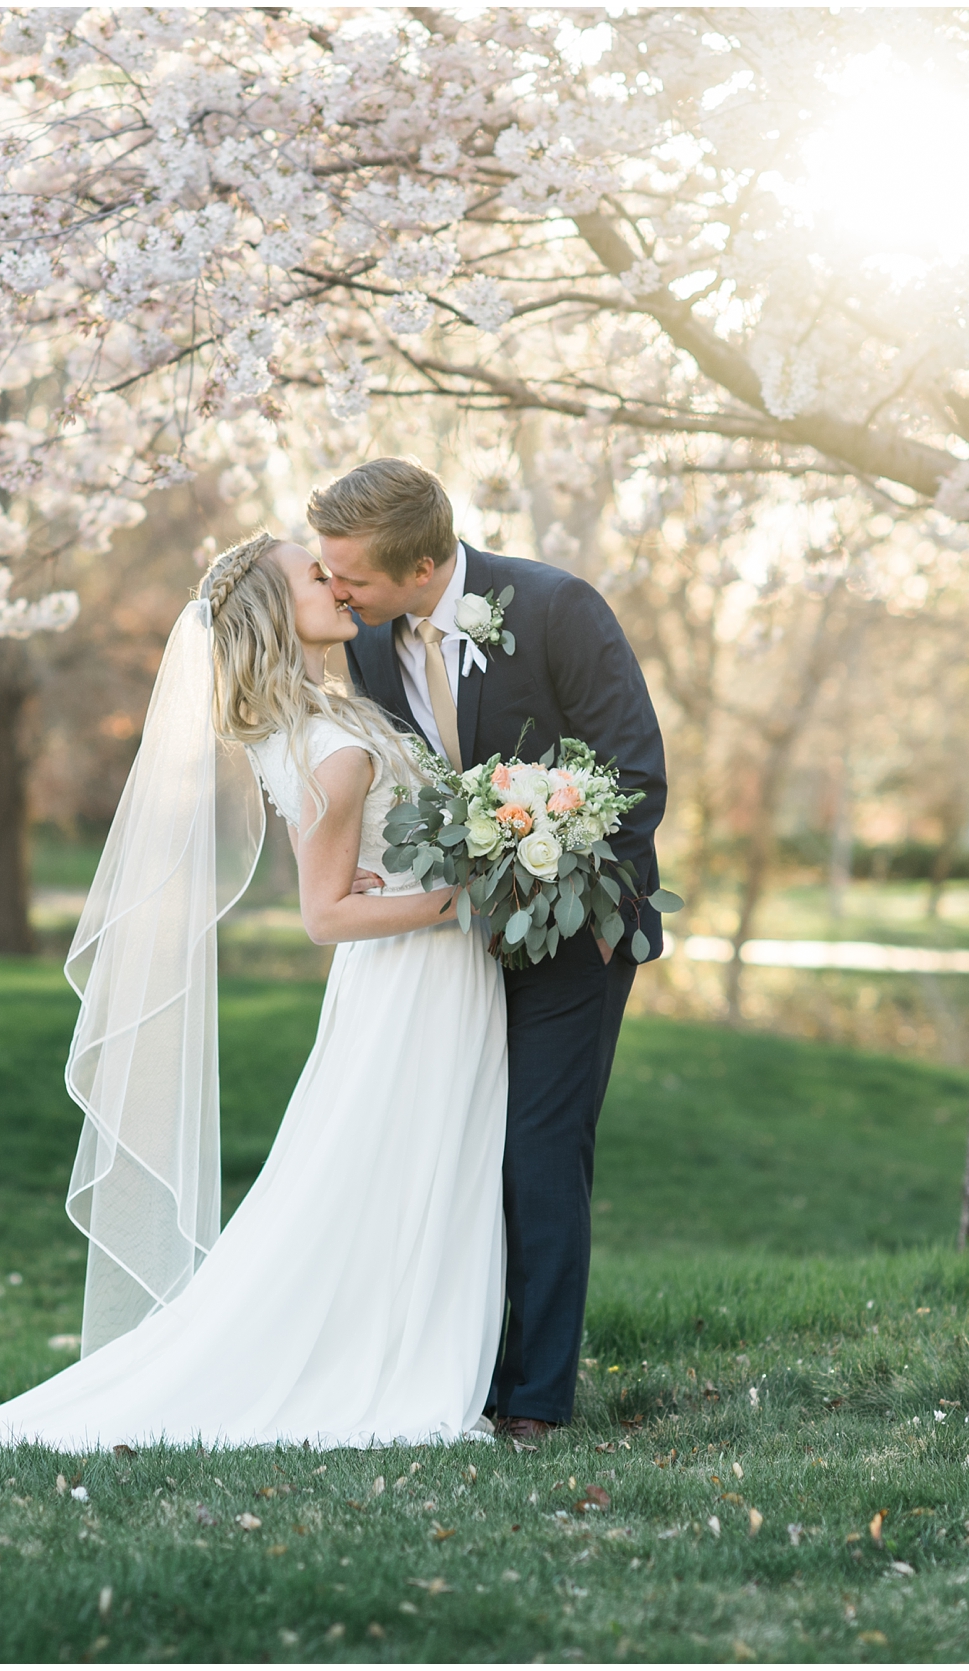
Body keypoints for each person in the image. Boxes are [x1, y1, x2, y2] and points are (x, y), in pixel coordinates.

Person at [0, 529, 512, 1453]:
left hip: (429, 977)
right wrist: (460, 894)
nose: (337, 584)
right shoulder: (329, 746)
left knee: (405, 1165)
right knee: (388, 1166)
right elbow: (325, 917)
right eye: (314, 574)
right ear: (270, 611)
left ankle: (407, 1337)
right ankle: (382, 1360)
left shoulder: (327, 720)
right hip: (411, 985)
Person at [312, 457, 666, 1449]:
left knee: (540, 1154)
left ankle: (534, 1401)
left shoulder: (557, 609)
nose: (337, 591)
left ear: (424, 566)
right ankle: (442, 1369)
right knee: (454, 1152)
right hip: (448, 946)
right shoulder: (372, 647)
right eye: (330, 573)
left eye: (355, 578)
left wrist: (548, 890)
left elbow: (633, 780)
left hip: (577, 930)